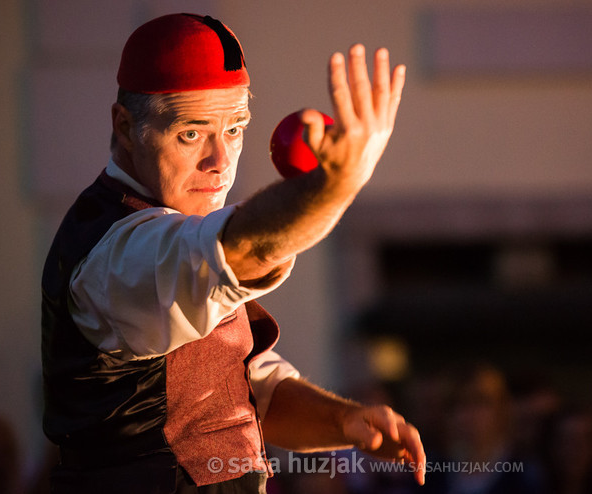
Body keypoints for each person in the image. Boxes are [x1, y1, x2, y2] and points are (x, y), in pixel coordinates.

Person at [40, 13, 425, 494]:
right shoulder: (117, 253)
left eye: (236, 128)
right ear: (124, 126)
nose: (220, 161)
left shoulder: (175, 227)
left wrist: (345, 422)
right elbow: (244, 247)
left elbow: (246, 391)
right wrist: (335, 186)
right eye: (191, 133)